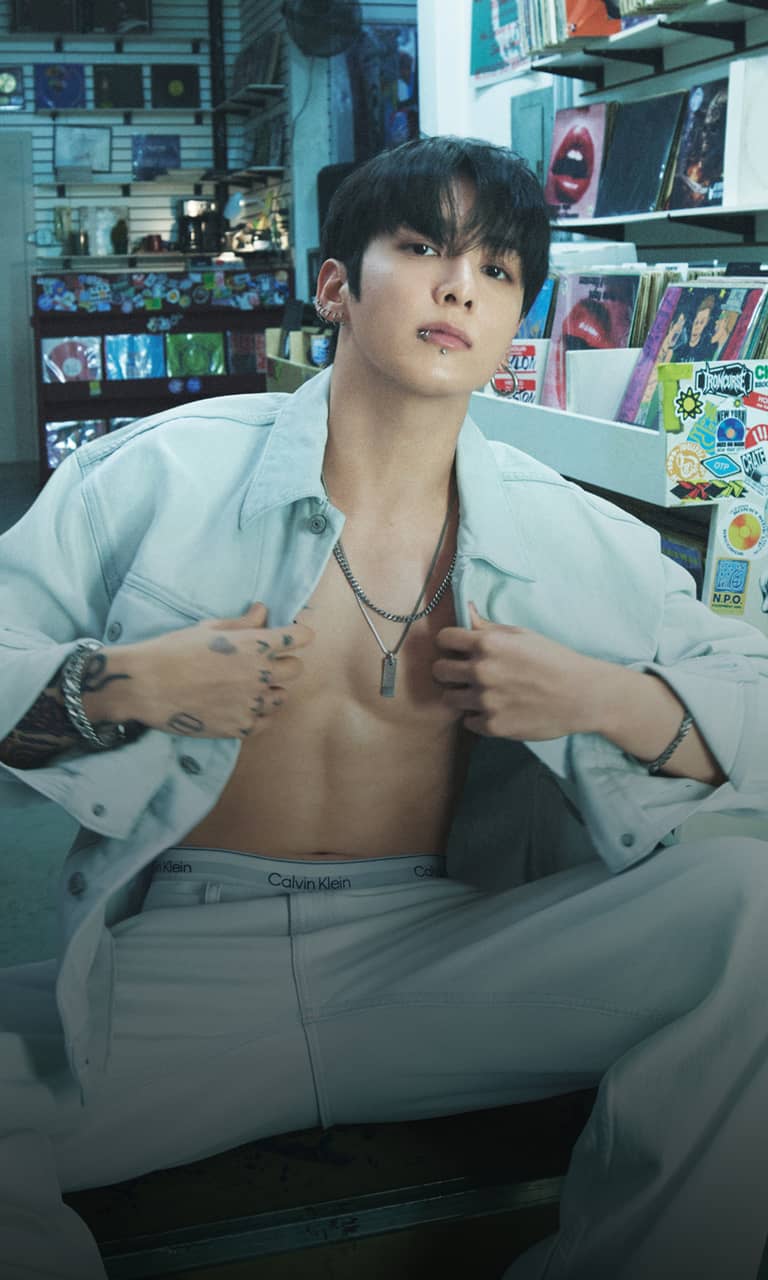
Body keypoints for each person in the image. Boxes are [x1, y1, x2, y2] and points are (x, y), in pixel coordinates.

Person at [0, 134, 767, 1280]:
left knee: (750, 904)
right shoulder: (160, 473)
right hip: (186, 960)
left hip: (446, 953)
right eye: (421, 247)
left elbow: (752, 689)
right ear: (335, 286)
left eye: (497, 270)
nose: (460, 286)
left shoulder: (573, 530)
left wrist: (609, 698)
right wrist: (125, 682)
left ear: (515, 325)